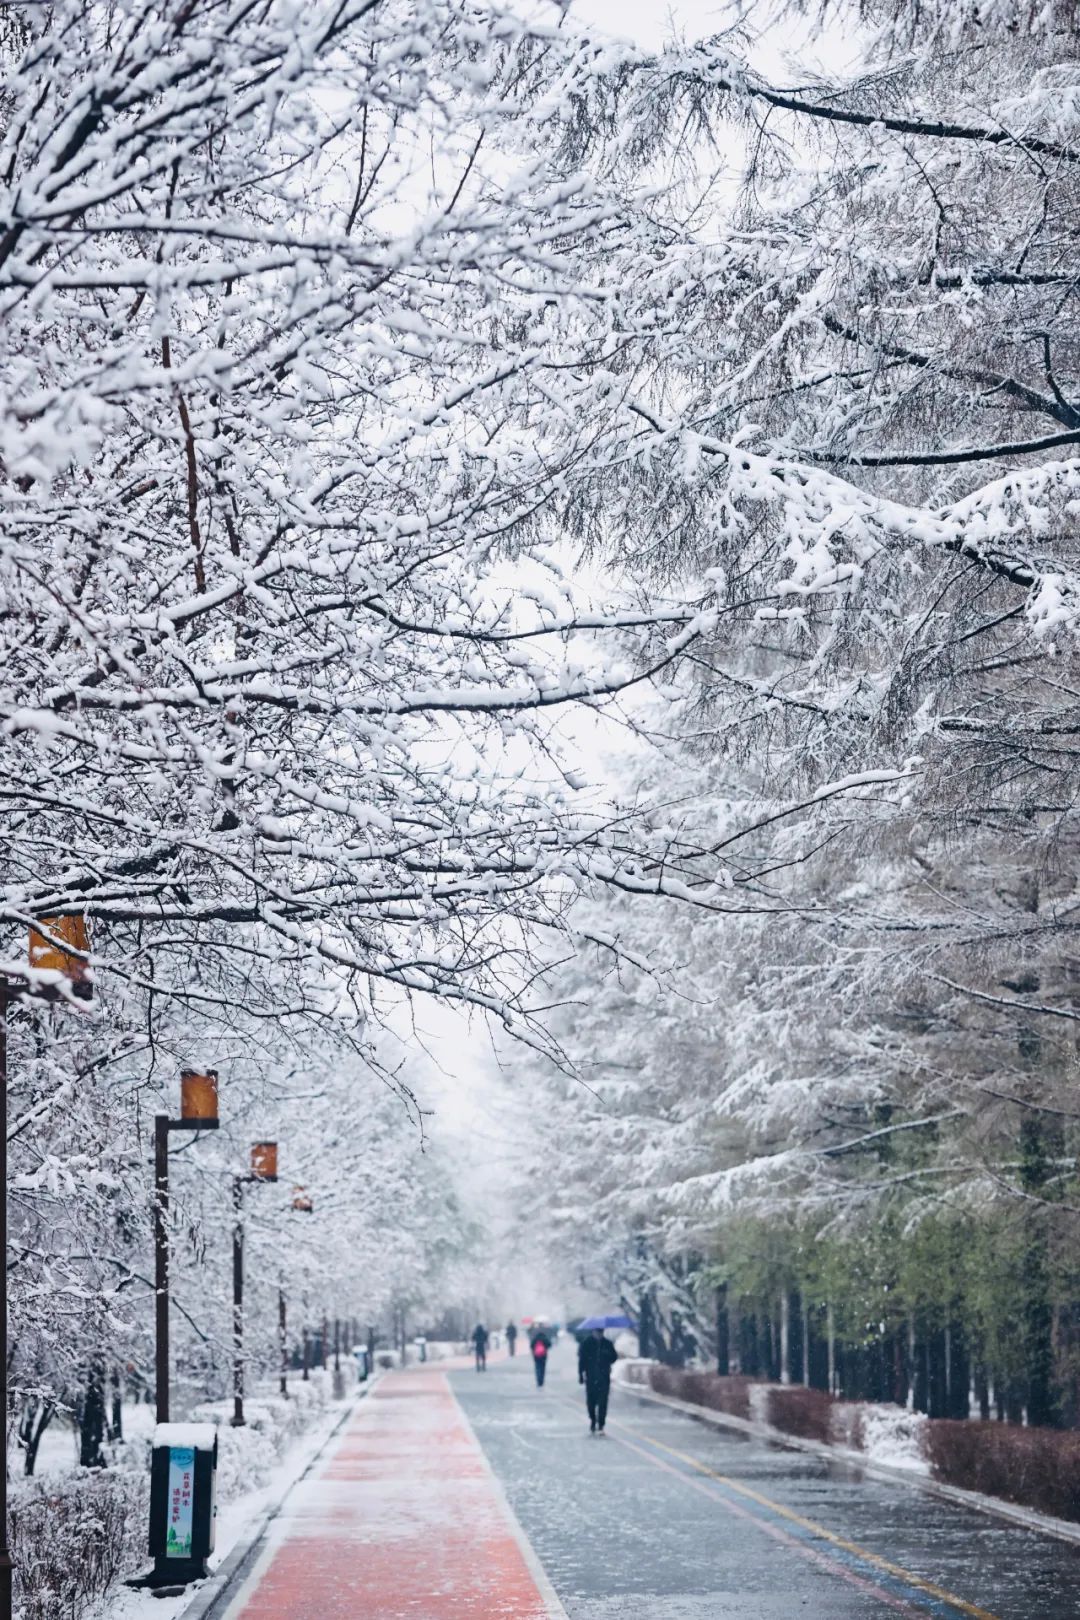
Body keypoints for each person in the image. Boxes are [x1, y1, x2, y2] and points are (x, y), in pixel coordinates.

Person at [578, 1328, 617, 1433]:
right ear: (593, 1332)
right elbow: (582, 1360)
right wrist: (581, 1375)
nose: (599, 1334)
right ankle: (592, 1419)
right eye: (597, 1332)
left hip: (604, 1377)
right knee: (591, 1402)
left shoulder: (607, 1344)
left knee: (603, 1401)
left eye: (601, 1332)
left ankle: (601, 1424)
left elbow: (614, 1357)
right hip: (591, 1377)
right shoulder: (586, 1343)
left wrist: (607, 1355)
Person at [529, 1322, 552, 1386]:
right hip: (544, 1355)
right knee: (543, 1367)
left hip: (536, 1355)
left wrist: (534, 1350)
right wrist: (545, 1347)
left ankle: (538, 1380)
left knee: (537, 1367)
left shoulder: (535, 1337)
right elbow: (549, 1345)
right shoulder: (544, 1337)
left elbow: (531, 1346)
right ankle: (541, 1380)